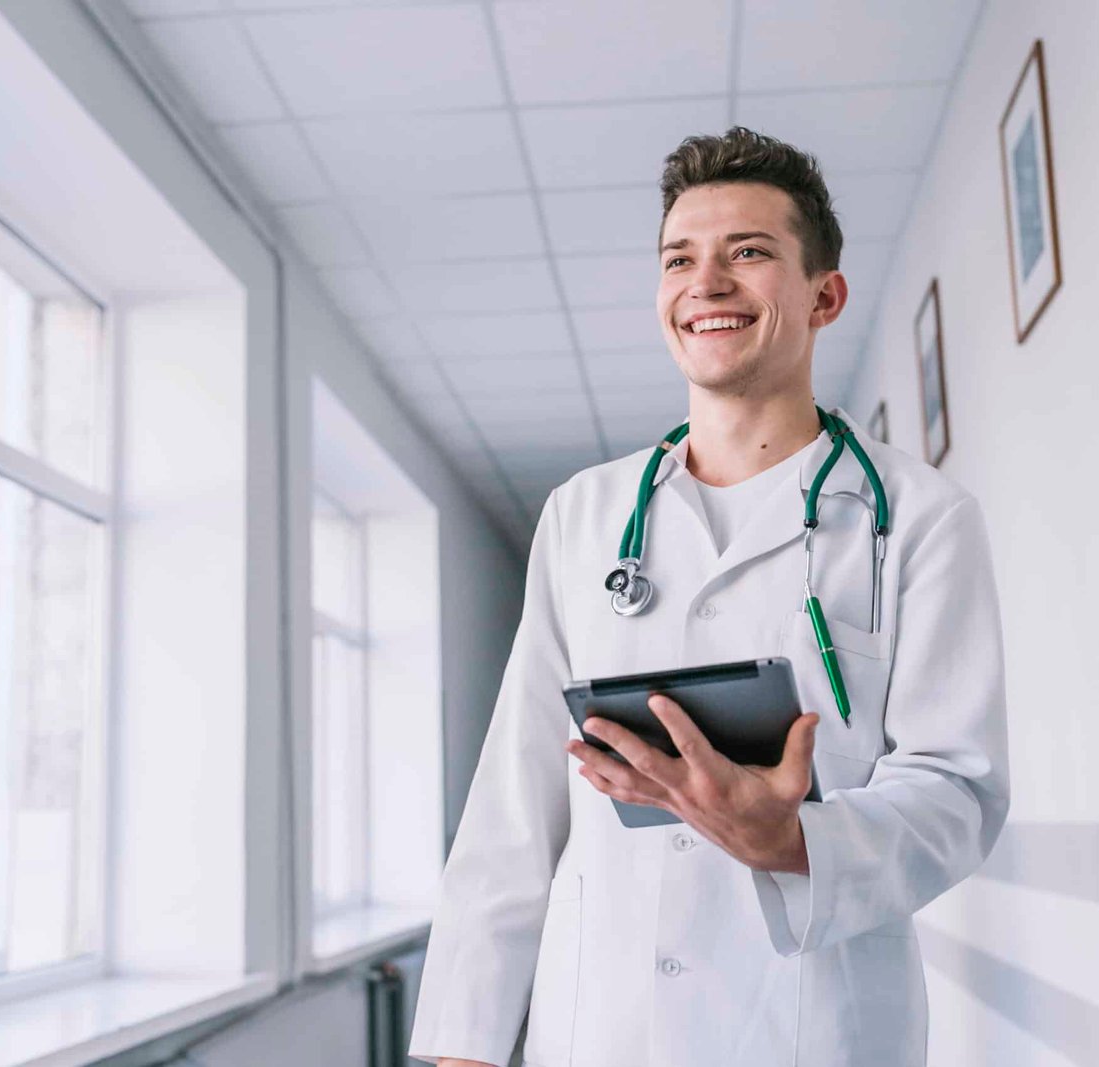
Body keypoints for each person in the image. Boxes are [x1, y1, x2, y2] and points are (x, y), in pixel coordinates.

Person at [408, 126, 1009, 1067]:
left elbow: (958, 789)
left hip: (815, 1030)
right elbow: (514, 806)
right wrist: (465, 1048)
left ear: (825, 296)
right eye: (679, 259)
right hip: (603, 1030)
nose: (707, 283)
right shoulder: (584, 517)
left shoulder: (920, 518)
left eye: (749, 252)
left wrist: (797, 840)